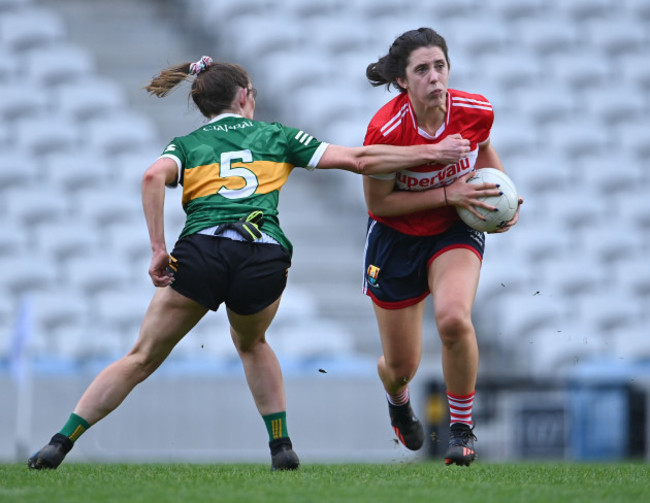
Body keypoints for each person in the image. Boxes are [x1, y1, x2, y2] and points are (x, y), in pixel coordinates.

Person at [27, 55, 476, 471]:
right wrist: (432, 153)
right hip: (261, 253)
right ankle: (280, 446)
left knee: (142, 357)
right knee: (253, 343)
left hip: (201, 251)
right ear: (243, 96)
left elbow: (151, 177)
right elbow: (358, 159)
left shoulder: (185, 143)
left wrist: (158, 249)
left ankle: (60, 442)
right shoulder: (276, 135)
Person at [361, 28, 523, 466]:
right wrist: (447, 193)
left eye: (440, 66)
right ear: (402, 81)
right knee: (400, 366)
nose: (434, 77)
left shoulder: (474, 109)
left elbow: (484, 148)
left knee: (453, 319)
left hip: (453, 230)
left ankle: (462, 430)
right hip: (395, 238)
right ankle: (398, 400)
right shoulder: (385, 131)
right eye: (422, 70)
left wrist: (502, 197)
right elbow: (379, 203)